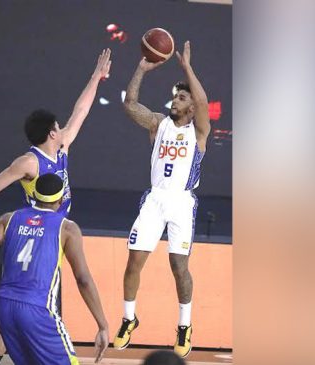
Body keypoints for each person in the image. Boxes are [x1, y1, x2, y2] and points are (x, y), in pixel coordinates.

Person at [0, 48, 111, 365]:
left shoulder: (62, 143)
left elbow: (81, 110)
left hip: (53, 228)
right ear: (51, 132)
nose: (63, 126)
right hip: (38, 229)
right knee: (12, 302)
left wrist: (96, 77)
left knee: (11, 307)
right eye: (58, 125)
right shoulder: (28, 162)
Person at [0, 174, 109, 365]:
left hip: (4, 309)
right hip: (38, 310)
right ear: (61, 200)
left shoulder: (9, 219)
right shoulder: (67, 228)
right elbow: (83, 279)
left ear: (34, 194)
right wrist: (102, 325)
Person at [112, 41, 210, 359]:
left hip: (181, 203)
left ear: (191, 106)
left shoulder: (199, 132)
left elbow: (203, 100)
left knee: (178, 267)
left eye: (182, 97)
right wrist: (140, 69)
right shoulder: (158, 123)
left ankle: (184, 325)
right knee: (133, 262)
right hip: (155, 199)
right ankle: (129, 318)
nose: (175, 100)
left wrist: (187, 69)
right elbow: (129, 104)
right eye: (176, 95)